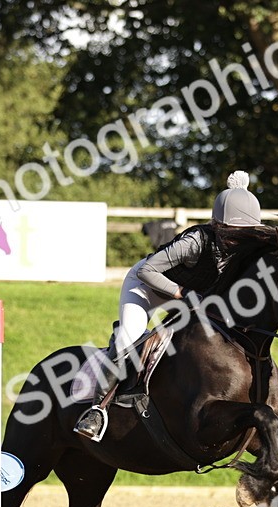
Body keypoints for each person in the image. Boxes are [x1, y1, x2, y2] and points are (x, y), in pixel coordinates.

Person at [73, 170, 265, 440]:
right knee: (129, 337)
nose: (237, 241)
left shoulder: (247, 248)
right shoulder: (194, 242)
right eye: (231, 233)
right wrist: (183, 292)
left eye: (245, 233)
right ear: (216, 225)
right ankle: (97, 409)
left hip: (190, 295)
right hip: (147, 287)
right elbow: (148, 271)